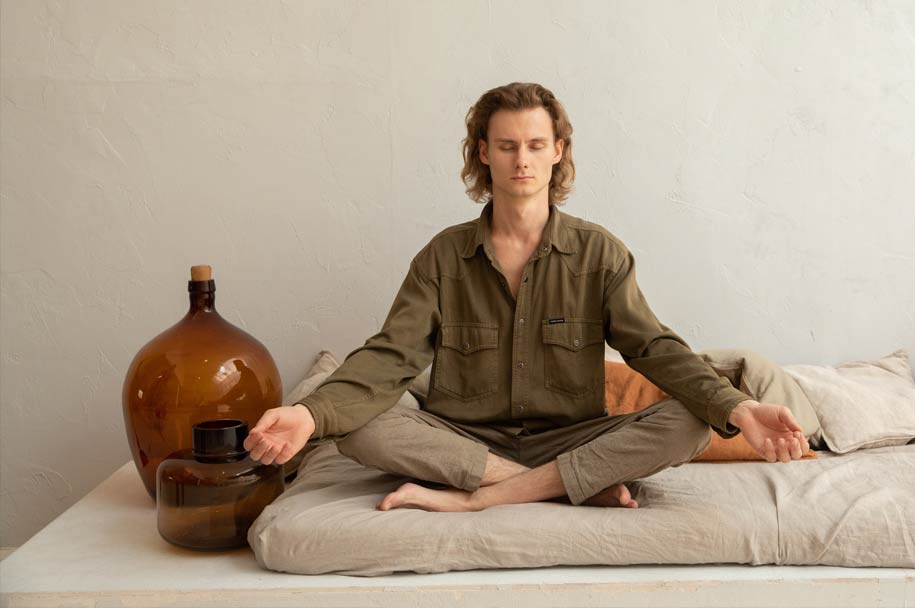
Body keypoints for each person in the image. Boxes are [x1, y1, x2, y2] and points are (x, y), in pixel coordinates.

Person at [244, 82, 809, 513]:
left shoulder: (599, 254)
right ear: (483, 153)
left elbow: (654, 348)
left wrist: (738, 408)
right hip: (465, 441)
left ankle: (481, 498)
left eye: (536, 145)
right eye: (507, 146)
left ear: (557, 151)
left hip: (572, 438)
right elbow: (390, 357)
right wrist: (308, 414)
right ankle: (551, 486)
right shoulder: (442, 258)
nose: (522, 160)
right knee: (354, 424)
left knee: (692, 421)